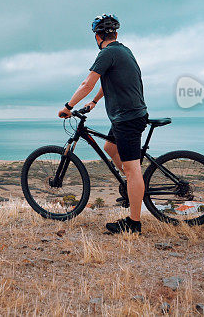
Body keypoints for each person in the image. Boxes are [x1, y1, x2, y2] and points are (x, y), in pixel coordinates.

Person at [58, 14, 148, 234]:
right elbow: (110, 82)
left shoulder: (107, 53)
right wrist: (94, 102)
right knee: (110, 147)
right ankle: (133, 185)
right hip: (125, 116)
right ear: (115, 34)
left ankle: (133, 223)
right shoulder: (123, 51)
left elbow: (87, 83)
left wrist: (68, 107)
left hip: (127, 118)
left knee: (132, 167)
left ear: (97, 36)